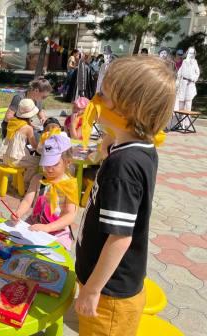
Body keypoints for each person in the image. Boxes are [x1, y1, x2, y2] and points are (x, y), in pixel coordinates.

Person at [75, 55, 175, 336]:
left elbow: (119, 238)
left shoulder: (124, 165)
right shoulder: (139, 148)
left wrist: (92, 290)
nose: (95, 99)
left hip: (107, 296)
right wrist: (111, 138)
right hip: (111, 285)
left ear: (128, 108)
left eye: (103, 95)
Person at [10, 134, 78, 250]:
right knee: (16, 245)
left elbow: (70, 215)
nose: (49, 169)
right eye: (46, 164)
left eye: (54, 164)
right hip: (35, 223)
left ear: (67, 162)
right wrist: (19, 213)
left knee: (55, 254)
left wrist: (48, 228)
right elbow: (27, 201)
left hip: (57, 229)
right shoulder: (38, 179)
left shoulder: (69, 184)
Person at [0, 98, 40, 184]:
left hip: (5, 157)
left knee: (27, 155)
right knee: (38, 161)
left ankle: (17, 181)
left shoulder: (12, 122)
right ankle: (25, 183)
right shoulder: (28, 128)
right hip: (15, 160)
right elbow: (35, 146)